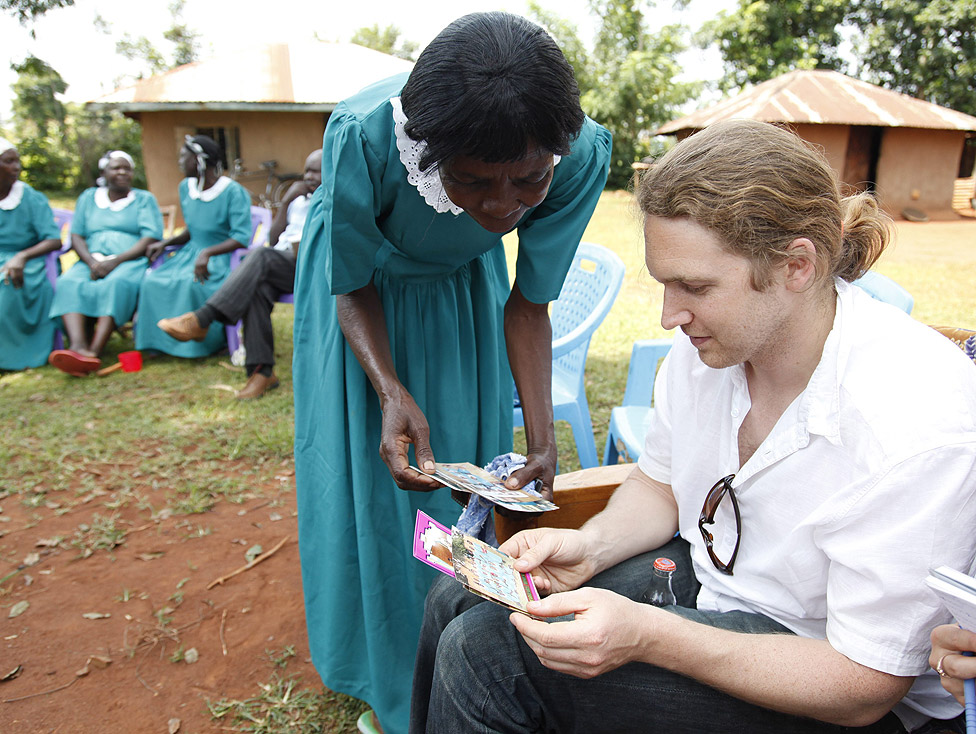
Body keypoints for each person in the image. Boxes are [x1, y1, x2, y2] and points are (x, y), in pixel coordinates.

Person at [411, 119, 976, 734]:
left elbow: (863, 686)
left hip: (835, 679)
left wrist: (648, 636)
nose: (668, 315)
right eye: (665, 283)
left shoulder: (915, 420)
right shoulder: (713, 346)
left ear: (796, 264)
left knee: (486, 656)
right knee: (460, 598)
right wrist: (589, 547)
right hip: (721, 590)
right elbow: (661, 484)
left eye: (695, 287)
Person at [292, 12, 611, 734]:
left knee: (453, 493)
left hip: (463, 297)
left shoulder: (580, 155)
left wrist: (541, 435)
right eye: (472, 182)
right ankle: (379, 668)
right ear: (431, 154)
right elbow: (350, 280)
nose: (500, 209)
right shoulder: (365, 137)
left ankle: (447, 652)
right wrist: (390, 389)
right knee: (374, 488)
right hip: (364, 304)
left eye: (526, 183)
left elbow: (529, 305)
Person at [155, 148, 322, 398]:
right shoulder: (297, 200)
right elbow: (274, 239)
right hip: (285, 264)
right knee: (258, 287)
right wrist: (286, 202)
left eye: (318, 171)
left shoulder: (336, 198)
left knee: (261, 256)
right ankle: (262, 373)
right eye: (307, 170)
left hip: (315, 266)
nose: (309, 176)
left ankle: (203, 318)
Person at [47, 151, 163, 375]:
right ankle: (77, 346)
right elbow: (77, 235)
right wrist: (91, 262)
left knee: (115, 284)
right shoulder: (88, 198)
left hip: (129, 261)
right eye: (116, 168)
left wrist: (116, 261)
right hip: (91, 261)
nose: (122, 172)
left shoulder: (143, 200)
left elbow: (150, 237)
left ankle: (94, 352)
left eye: (127, 168)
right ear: (103, 173)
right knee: (69, 282)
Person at [135, 134, 251, 357]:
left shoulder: (232, 192)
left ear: (200, 160)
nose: (179, 163)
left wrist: (207, 252)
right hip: (191, 253)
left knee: (191, 284)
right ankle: (161, 343)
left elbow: (241, 236)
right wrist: (166, 242)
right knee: (152, 281)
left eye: (183, 157)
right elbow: (194, 228)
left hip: (220, 255)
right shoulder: (185, 188)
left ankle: (202, 344)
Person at [0, 137, 62, 371]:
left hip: (31, 260)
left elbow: (54, 239)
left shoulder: (30, 198)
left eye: (17, 161)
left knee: (6, 283)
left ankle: (13, 357)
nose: (16, 167)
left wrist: (22, 256)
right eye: (9, 161)